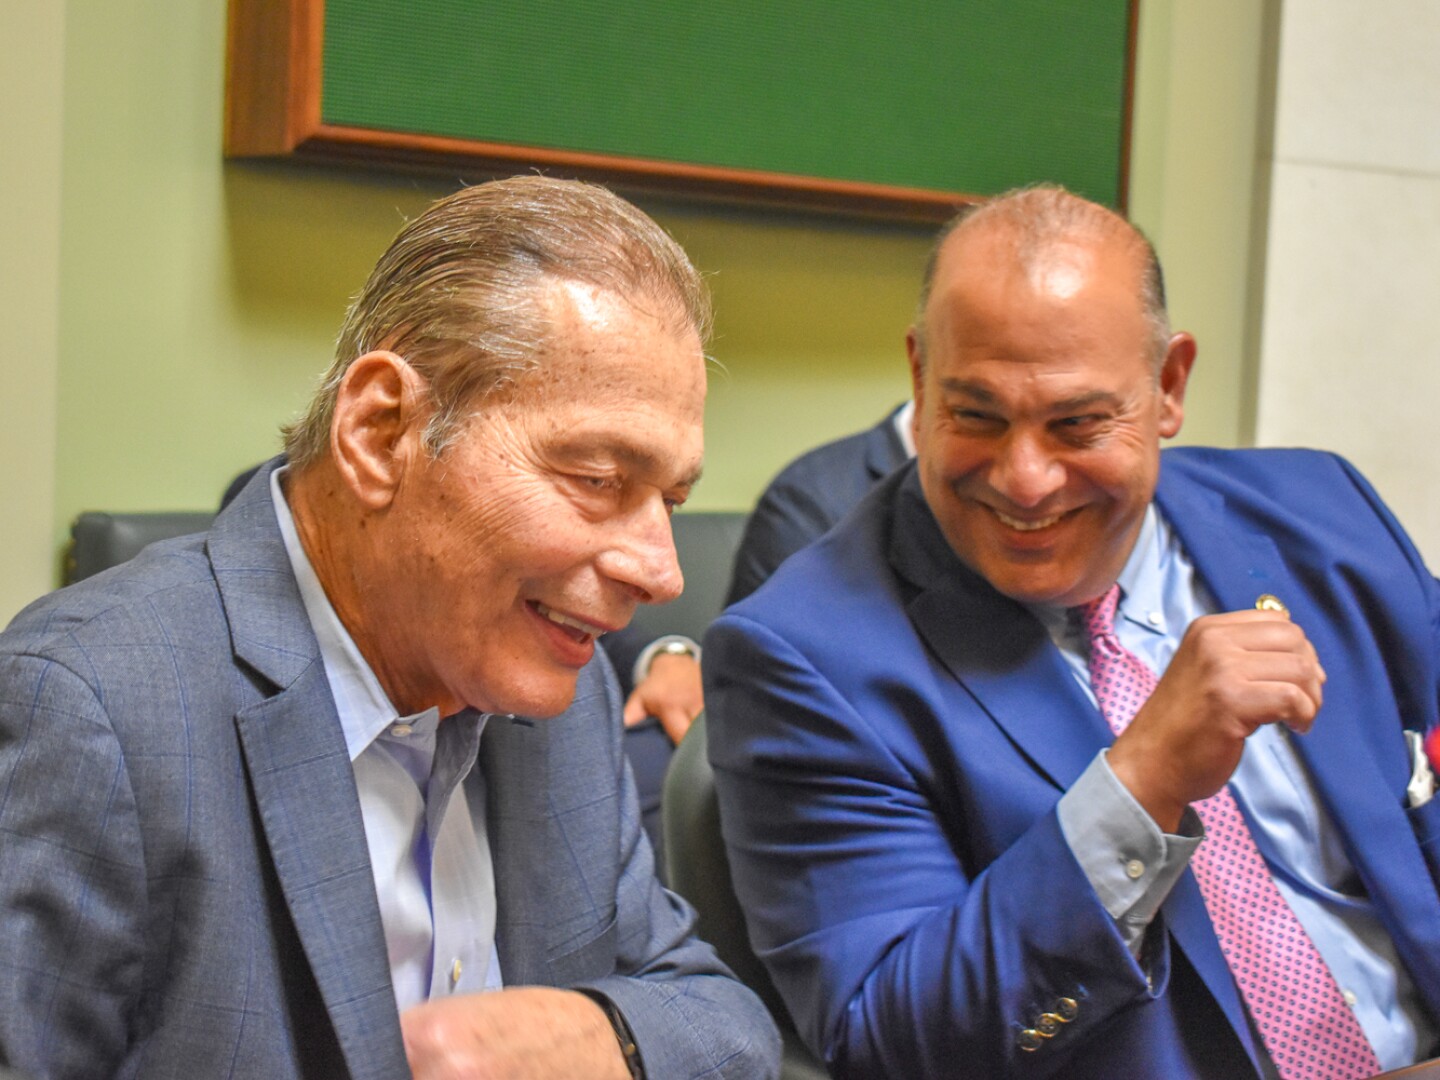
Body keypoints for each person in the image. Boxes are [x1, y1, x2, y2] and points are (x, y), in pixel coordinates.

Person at [0, 176, 780, 1080]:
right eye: (598, 478)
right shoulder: (86, 707)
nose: (663, 572)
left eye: (670, 500)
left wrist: (608, 1035)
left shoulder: (562, 687)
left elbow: (721, 1016)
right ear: (380, 433)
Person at [703, 184, 1440, 1078]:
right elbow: (890, 1044)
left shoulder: (1323, 512)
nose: (1025, 480)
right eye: (978, 415)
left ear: (1168, 386)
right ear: (920, 380)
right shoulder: (803, 657)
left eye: (1078, 423)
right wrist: (1142, 782)